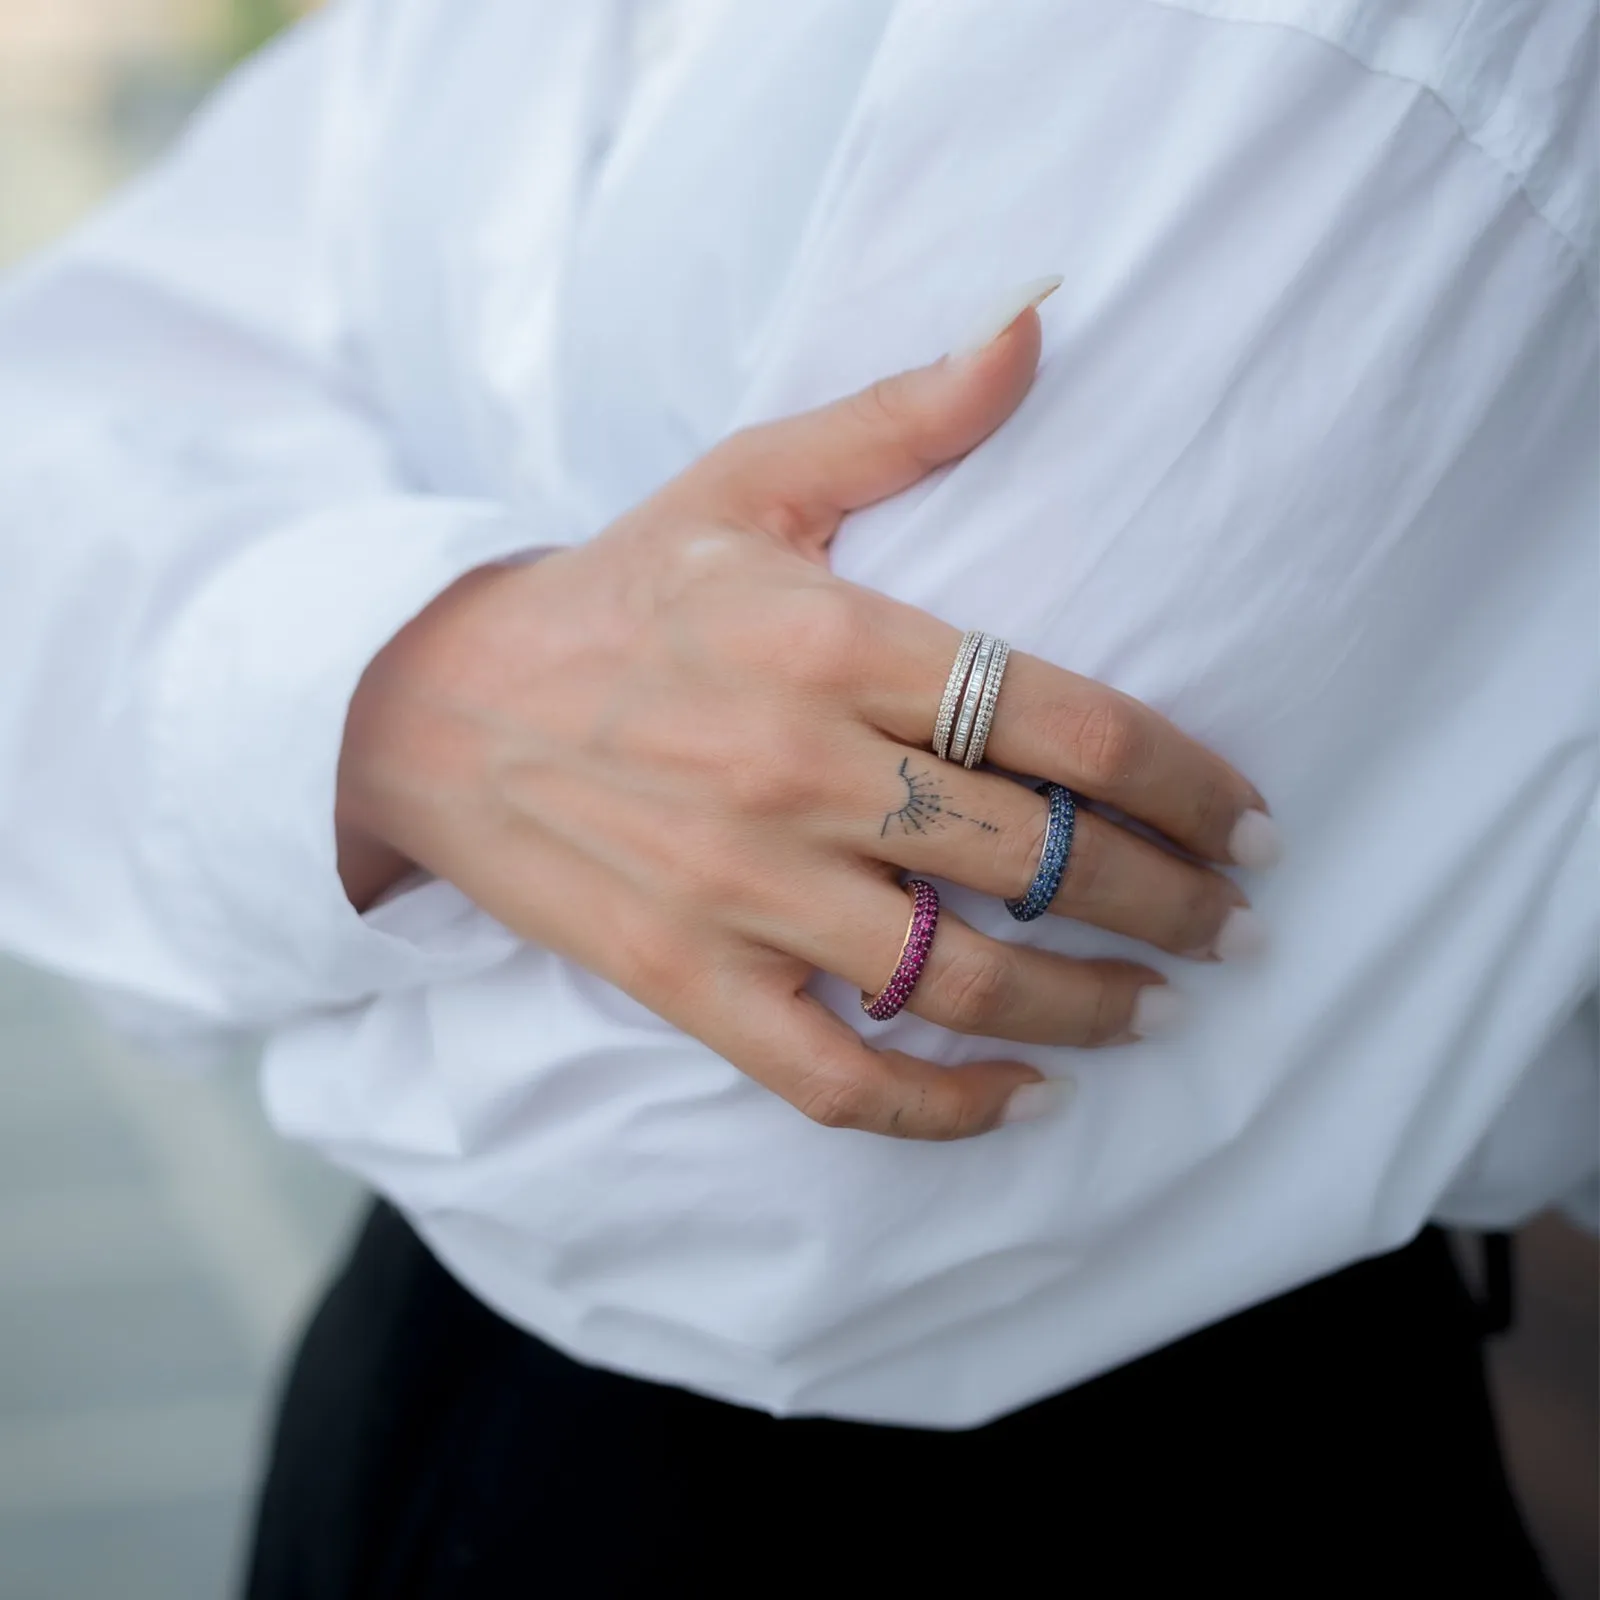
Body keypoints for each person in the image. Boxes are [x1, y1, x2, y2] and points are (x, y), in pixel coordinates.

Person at [0, 0, 1592, 1592]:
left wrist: (287, 805)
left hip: (1105, 1473)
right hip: (400, 1421)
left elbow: (748, 1165)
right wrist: (415, 688)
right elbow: (45, 451)